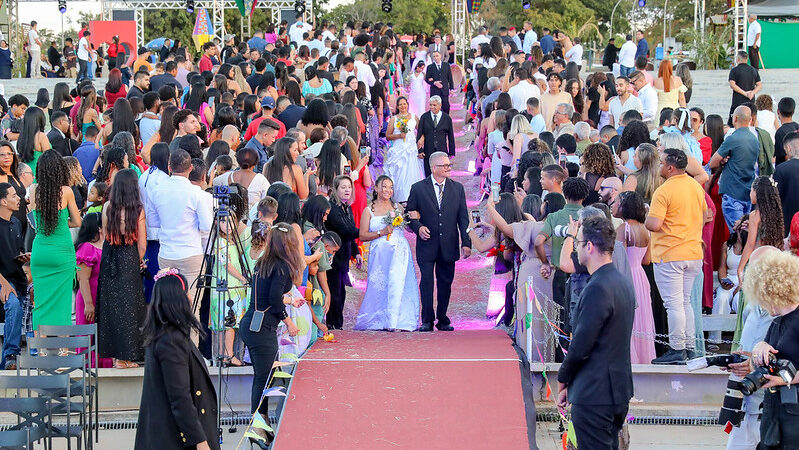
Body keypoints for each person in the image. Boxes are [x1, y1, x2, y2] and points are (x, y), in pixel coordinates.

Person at [556, 215, 635, 450]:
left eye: (578, 243)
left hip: (595, 393)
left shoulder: (597, 287)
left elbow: (582, 344)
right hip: (615, 390)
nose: (576, 249)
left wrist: (563, 377)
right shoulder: (621, 281)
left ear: (589, 246)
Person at [134, 271, 218, 450]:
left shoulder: (166, 334)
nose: (190, 298)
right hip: (173, 439)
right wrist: (200, 441)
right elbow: (180, 397)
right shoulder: (171, 340)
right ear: (177, 298)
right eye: (186, 292)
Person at [239, 222, 301, 439]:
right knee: (264, 379)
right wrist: (289, 322)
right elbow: (274, 299)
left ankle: (261, 422)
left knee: (265, 377)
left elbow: (267, 295)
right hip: (262, 329)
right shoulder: (282, 266)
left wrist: (290, 301)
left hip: (252, 324)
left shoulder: (263, 263)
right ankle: (258, 426)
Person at [646, 148, 706, 364]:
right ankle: (688, 347)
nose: (659, 166)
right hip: (693, 252)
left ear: (670, 167)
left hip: (670, 253)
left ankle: (677, 349)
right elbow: (705, 215)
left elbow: (654, 224)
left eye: (661, 163)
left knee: (674, 304)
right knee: (684, 302)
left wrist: (646, 215)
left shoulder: (664, 190)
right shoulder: (694, 186)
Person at [407, 152, 471, 331]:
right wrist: (418, 227)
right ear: (433, 168)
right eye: (445, 165)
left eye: (449, 165)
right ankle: (427, 319)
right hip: (426, 244)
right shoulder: (418, 188)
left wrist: (466, 242)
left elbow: (463, 218)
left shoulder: (457, 189)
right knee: (427, 281)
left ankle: (442, 318)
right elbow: (409, 214)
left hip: (449, 244)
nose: (449, 168)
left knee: (445, 283)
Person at [743, 249, 799, 450]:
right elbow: (758, 364)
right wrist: (760, 348)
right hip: (774, 413)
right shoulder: (777, 322)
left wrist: (784, 379)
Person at [150, 149, 214, 313]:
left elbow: (153, 222)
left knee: (166, 307)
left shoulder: (157, 191)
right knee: (192, 307)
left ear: (169, 167)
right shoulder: (196, 193)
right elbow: (207, 226)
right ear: (190, 168)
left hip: (166, 254)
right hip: (190, 253)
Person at [355, 175, 420, 331]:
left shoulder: (398, 208)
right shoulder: (369, 210)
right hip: (380, 253)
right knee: (379, 284)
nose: (388, 190)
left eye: (390, 187)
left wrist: (415, 218)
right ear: (376, 188)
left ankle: (399, 320)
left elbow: (408, 228)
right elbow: (362, 235)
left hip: (399, 251)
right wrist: (381, 232)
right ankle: (378, 319)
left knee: (398, 282)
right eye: (384, 186)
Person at [97, 169, 146, 369]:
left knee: (111, 307)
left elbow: (105, 235)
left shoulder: (107, 207)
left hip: (110, 258)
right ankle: (126, 357)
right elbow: (142, 245)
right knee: (130, 309)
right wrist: (136, 261)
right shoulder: (138, 210)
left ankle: (116, 356)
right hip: (129, 258)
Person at [29, 150, 82, 329]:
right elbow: (77, 221)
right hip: (61, 252)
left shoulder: (33, 190)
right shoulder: (66, 192)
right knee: (63, 304)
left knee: (40, 302)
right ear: (60, 169)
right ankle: (62, 344)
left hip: (40, 252)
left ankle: (39, 343)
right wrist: (61, 222)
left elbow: (36, 219)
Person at [709, 106, 760, 232]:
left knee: (737, 232)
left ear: (735, 118)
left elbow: (712, 163)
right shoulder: (754, 139)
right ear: (750, 119)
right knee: (746, 230)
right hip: (747, 190)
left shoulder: (733, 138)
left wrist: (723, 160)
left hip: (732, 190)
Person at [324, 176, 361, 329]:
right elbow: (346, 231)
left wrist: (356, 252)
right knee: (335, 292)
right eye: (343, 187)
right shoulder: (333, 209)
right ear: (335, 189)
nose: (347, 190)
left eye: (349, 187)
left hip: (344, 257)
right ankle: (333, 324)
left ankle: (337, 324)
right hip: (334, 258)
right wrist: (368, 231)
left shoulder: (347, 208)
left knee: (341, 292)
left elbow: (350, 234)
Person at [0, 182, 27, 369]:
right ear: (3, 201)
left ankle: (8, 361)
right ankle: (11, 354)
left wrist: (25, 257)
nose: (19, 198)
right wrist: (4, 284)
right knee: (14, 305)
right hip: (3, 280)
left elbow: (15, 252)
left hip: (18, 279)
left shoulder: (16, 223)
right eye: (14, 196)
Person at [384, 97, 423, 203]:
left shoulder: (414, 117)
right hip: (399, 148)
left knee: (411, 171)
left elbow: (421, 130)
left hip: (411, 149)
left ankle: (413, 196)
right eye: (400, 104)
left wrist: (421, 139)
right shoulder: (394, 119)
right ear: (397, 106)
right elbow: (388, 135)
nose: (403, 106)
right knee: (400, 172)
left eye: (404, 104)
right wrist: (399, 136)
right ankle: (400, 197)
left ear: (407, 105)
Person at [416, 96, 456, 176]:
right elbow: (419, 134)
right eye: (430, 105)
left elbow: (451, 136)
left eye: (434, 105)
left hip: (442, 150)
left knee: (442, 173)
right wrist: (420, 150)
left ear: (440, 105)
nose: (432, 107)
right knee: (428, 174)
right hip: (428, 151)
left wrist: (451, 152)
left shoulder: (447, 118)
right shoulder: (424, 117)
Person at [728, 51, 762, 126]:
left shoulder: (734, 70)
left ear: (738, 59)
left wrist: (745, 93)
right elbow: (759, 85)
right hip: (750, 101)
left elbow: (732, 85)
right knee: (751, 122)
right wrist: (752, 93)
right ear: (747, 59)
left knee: (733, 123)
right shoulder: (753, 70)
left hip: (738, 101)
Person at [774, 97, 799, 166]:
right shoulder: (797, 126)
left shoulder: (780, 132)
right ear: (793, 112)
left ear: (778, 111)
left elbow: (782, 156)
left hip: (785, 169)